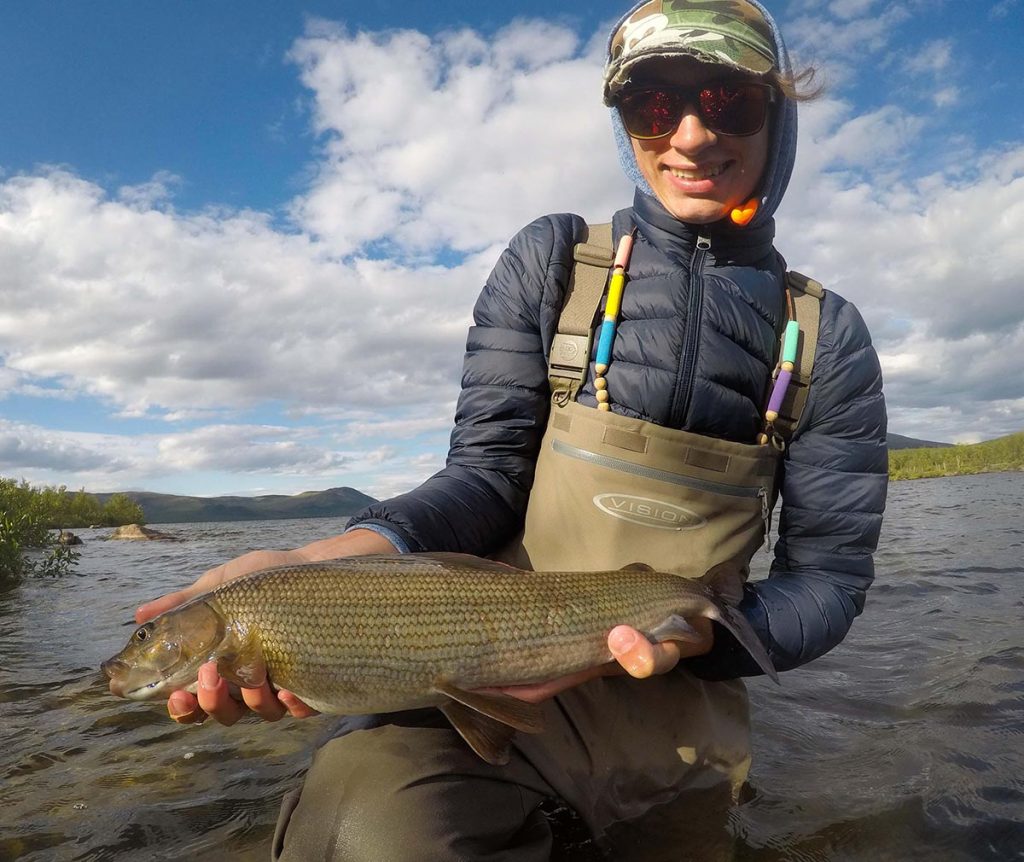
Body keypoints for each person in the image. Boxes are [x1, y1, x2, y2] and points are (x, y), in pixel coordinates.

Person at [137, 1, 888, 858]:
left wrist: (696, 634)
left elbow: (827, 582)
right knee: (359, 828)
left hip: (680, 704)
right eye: (651, 104)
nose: (686, 134)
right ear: (623, 122)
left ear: (777, 115)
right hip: (474, 667)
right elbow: (485, 476)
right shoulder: (552, 263)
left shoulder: (826, 335)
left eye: (727, 101)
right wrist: (323, 564)